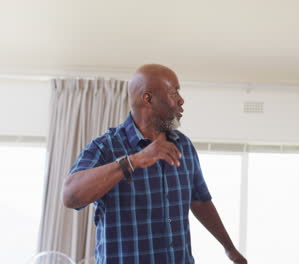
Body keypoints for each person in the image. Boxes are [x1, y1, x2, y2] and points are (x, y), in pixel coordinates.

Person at [62, 64, 247, 264]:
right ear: (148, 99)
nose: (181, 100)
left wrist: (230, 249)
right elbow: (71, 196)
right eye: (173, 91)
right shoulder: (106, 147)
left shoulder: (183, 145)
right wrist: (133, 161)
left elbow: (200, 201)